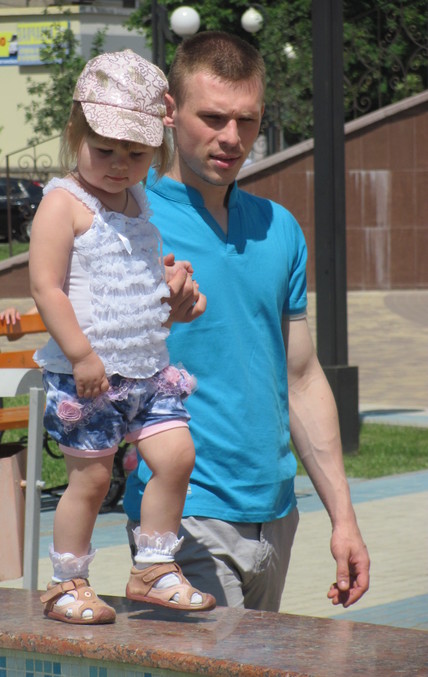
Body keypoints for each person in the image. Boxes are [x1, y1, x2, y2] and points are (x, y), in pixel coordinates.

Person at [123, 31, 370, 613]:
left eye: (247, 120)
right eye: (212, 118)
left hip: (277, 516)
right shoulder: (128, 222)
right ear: (169, 111)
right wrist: (150, 317)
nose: (232, 138)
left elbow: (301, 377)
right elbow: (82, 360)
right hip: (182, 515)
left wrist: (344, 519)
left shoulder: (278, 226)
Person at [28, 49, 215, 625]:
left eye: (135, 154)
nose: (118, 165)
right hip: (89, 375)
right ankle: (66, 582)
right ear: (75, 134)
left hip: (147, 368)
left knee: (177, 456)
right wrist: (81, 354)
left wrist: (174, 302)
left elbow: (133, 280)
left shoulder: (139, 201)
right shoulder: (63, 204)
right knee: (91, 480)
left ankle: (153, 566)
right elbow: (46, 287)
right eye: (104, 149)